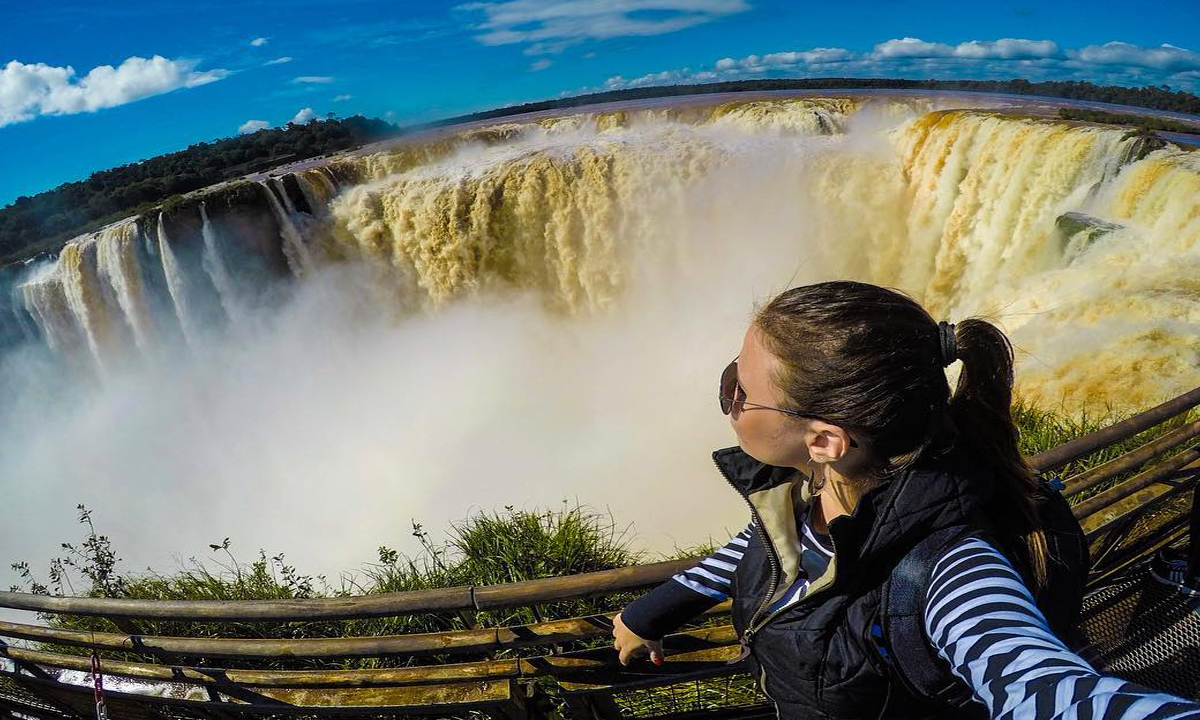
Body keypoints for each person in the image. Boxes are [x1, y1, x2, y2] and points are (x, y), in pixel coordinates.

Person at [611, 281, 1200, 720]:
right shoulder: (820, 488)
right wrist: (648, 613)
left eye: (737, 389)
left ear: (824, 440)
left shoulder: (947, 570)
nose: (730, 401)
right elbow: (775, 544)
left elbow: (1040, 685)